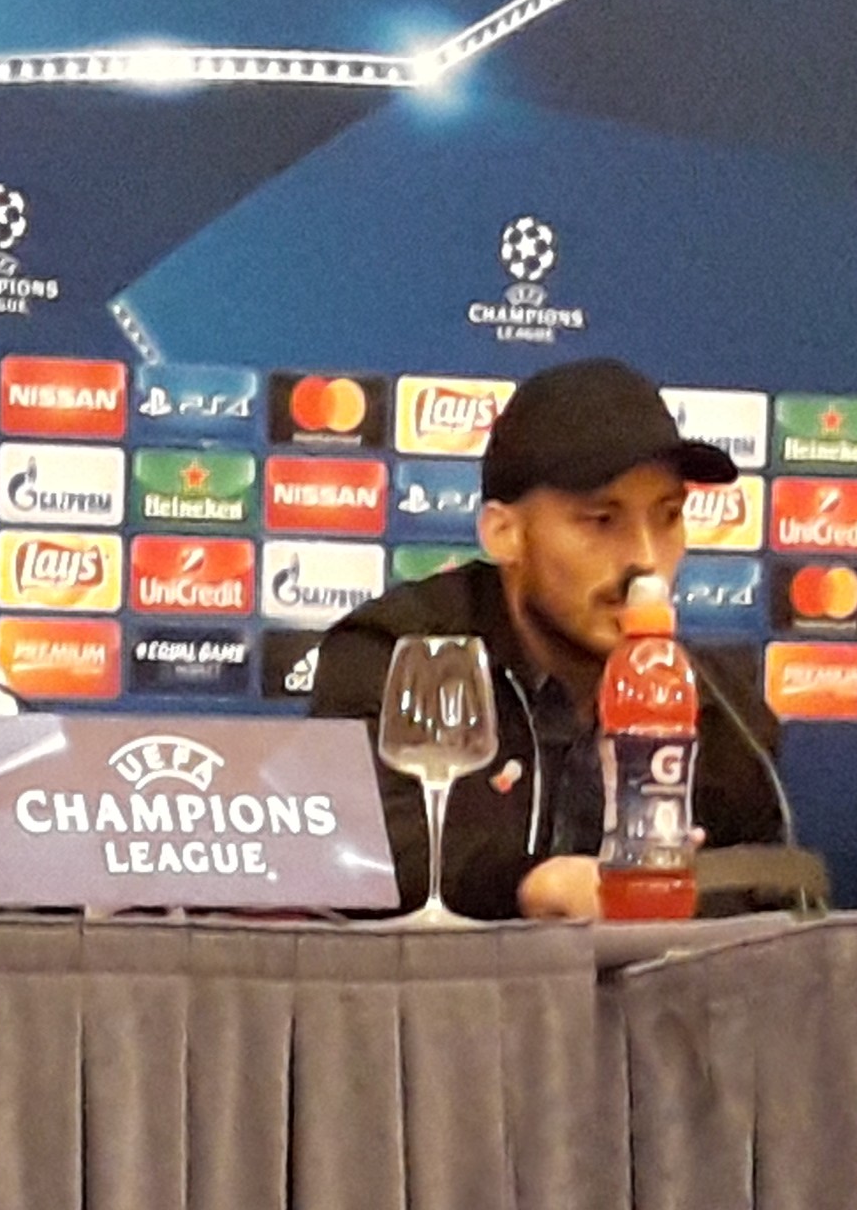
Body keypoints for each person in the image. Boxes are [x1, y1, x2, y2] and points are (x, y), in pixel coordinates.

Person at [311, 356, 786, 920]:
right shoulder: (397, 654)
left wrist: (705, 888)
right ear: (504, 534)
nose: (647, 560)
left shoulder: (718, 706)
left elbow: (774, 891)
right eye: (601, 521)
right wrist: (529, 886)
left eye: (668, 516)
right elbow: (352, 852)